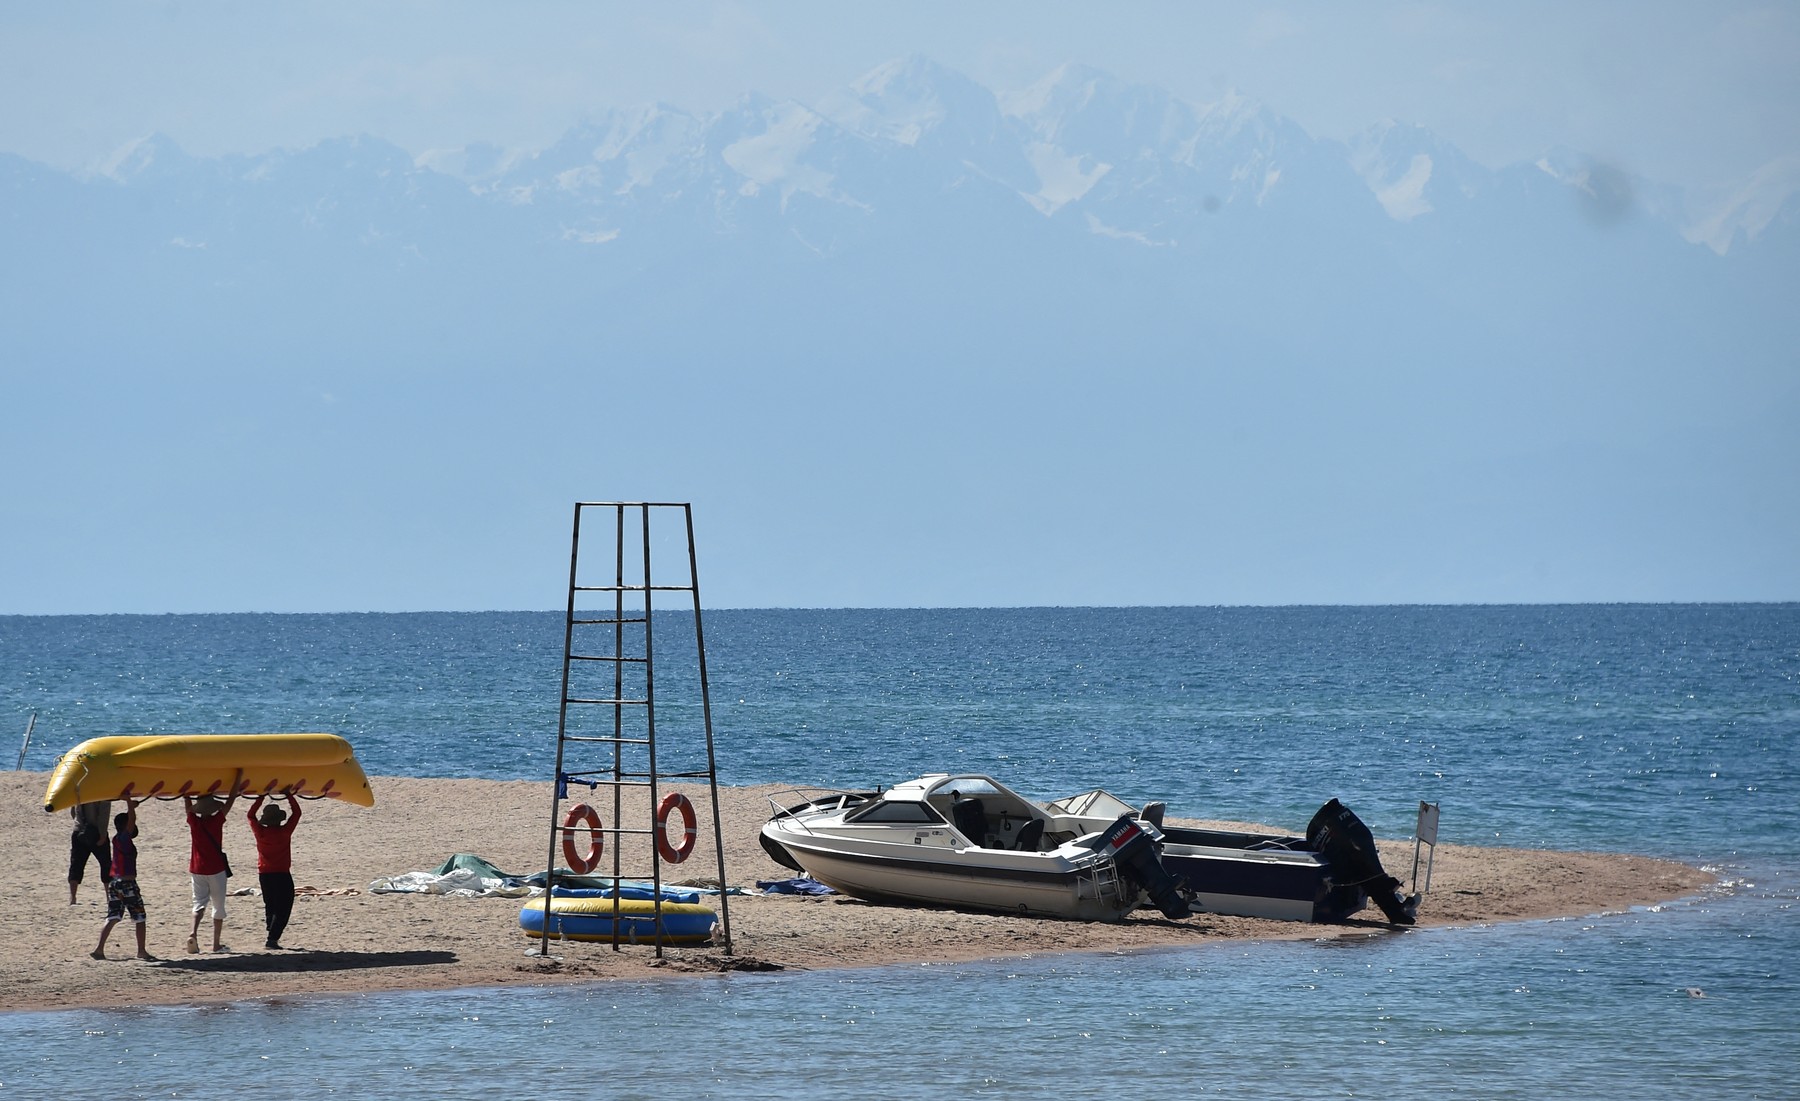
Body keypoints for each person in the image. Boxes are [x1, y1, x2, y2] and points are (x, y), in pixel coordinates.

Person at [92, 799, 154, 961]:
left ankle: (99, 949)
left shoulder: (116, 838)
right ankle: (141, 951)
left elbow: (130, 822)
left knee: (113, 916)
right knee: (139, 917)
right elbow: (131, 822)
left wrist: (131, 808)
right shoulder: (124, 839)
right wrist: (128, 803)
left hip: (114, 883)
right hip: (127, 884)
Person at [182, 787, 239, 953]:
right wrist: (238, 779)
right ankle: (216, 944)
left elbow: (187, 805)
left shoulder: (194, 821)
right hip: (215, 869)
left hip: (196, 868)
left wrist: (187, 794)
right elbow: (231, 800)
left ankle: (193, 933)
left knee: (198, 902)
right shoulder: (216, 821)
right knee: (218, 905)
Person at [246, 791, 302, 949]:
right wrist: (289, 795)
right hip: (282, 874)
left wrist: (260, 797)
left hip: (264, 874)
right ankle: (272, 938)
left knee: (270, 904)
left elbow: (250, 816)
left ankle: (271, 931)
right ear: (279, 820)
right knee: (284, 905)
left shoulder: (261, 833)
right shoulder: (284, 832)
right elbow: (297, 813)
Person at [68, 799, 113, 904]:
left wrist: (78, 822)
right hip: (96, 832)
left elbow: (73, 812)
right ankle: (109, 896)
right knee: (106, 864)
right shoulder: (102, 791)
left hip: (78, 831)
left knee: (76, 864)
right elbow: (104, 814)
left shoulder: (79, 790)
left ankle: (72, 897)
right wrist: (102, 835)